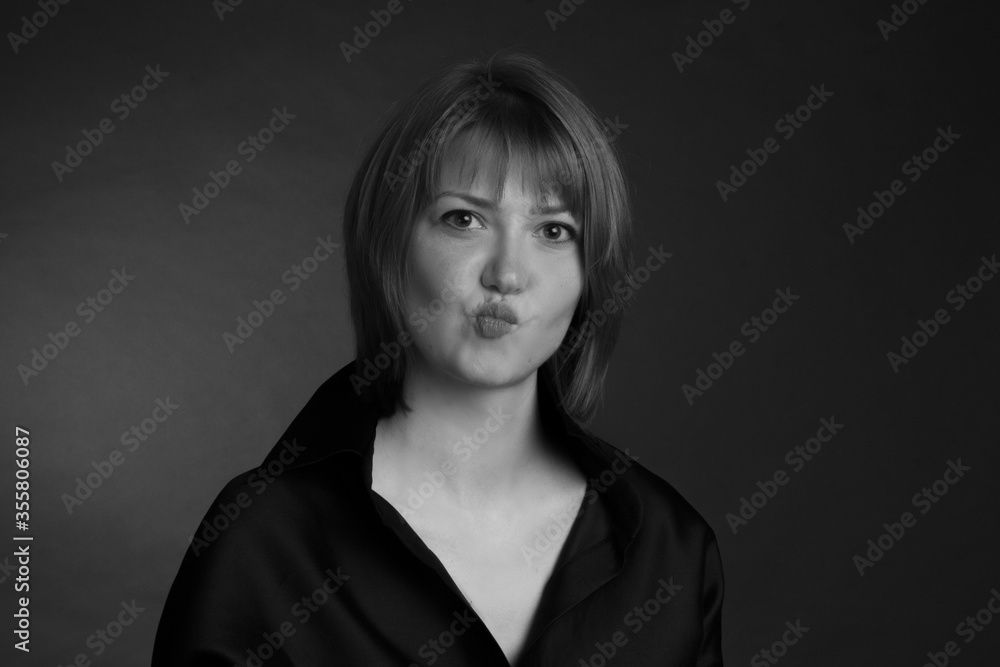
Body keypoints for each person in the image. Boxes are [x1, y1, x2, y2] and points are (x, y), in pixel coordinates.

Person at [152, 50, 724, 666]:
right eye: (464, 219)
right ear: (390, 246)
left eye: (554, 230)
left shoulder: (672, 550)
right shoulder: (260, 541)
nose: (507, 273)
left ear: (592, 274)